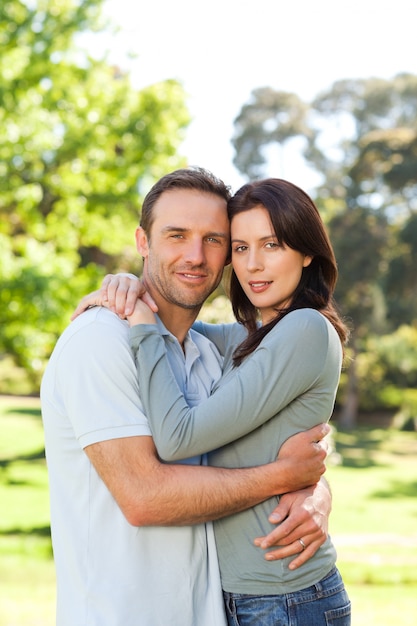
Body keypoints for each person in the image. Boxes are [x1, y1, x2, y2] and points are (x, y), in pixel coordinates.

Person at [42, 167, 332, 626]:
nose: (195, 256)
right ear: (143, 242)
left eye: (215, 240)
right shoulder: (99, 342)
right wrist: (284, 475)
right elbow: (144, 498)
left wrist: (315, 484)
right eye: (176, 235)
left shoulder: (210, 351)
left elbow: (285, 410)